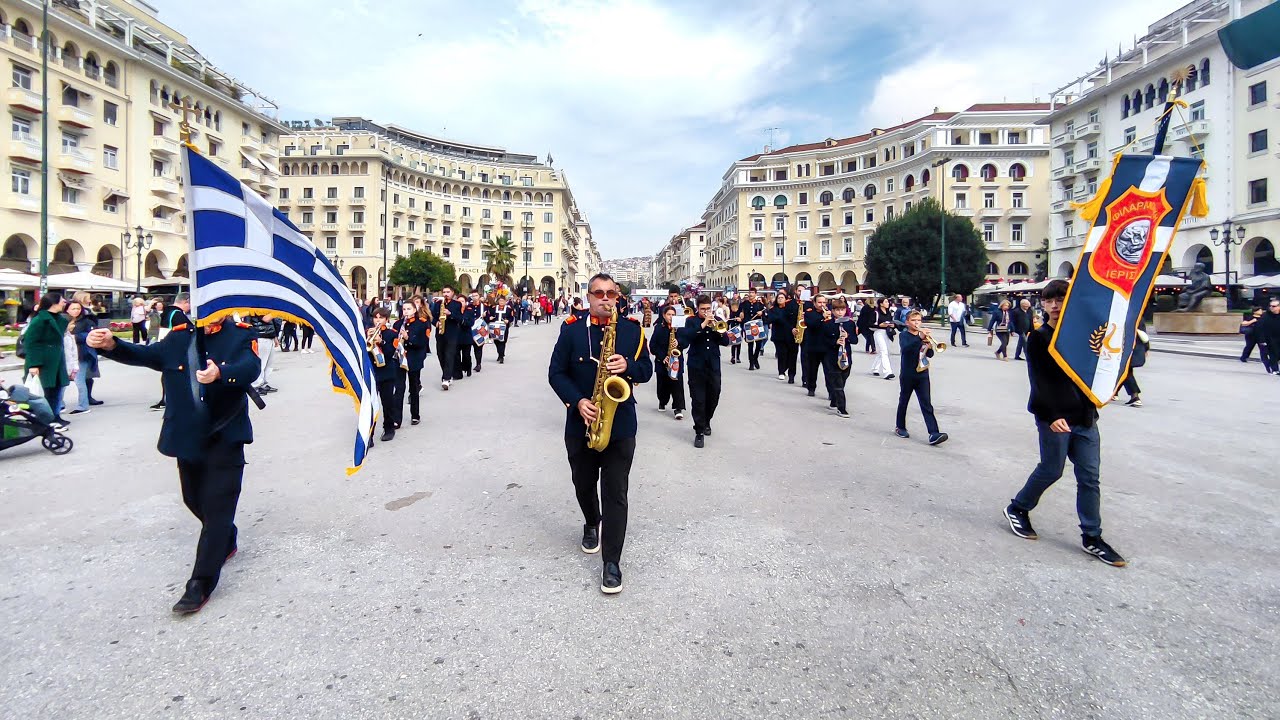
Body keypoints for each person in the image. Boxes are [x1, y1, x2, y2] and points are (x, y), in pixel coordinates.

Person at [87, 314, 262, 613]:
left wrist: (222, 373)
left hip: (225, 435)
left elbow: (250, 367)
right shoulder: (179, 337)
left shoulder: (241, 334)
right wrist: (111, 344)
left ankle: (200, 583)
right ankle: (226, 537)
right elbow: (144, 354)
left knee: (218, 507)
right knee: (194, 500)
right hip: (187, 437)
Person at [1003, 279, 1126, 567]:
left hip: (1085, 417)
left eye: (1060, 299)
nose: (1055, 306)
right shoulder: (1040, 338)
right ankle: (1018, 508)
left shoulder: (1084, 336)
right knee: (1051, 470)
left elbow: (1101, 366)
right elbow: (1040, 382)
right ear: (1042, 304)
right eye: (1049, 301)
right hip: (1054, 417)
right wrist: (1052, 415)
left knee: (1089, 478)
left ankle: (1092, 537)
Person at [548, 273, 653, 594]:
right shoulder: (571, 331)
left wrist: (630, 368)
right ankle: (591, 521)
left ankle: (612, 562)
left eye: (611, 293)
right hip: (581, 422)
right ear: (589, 296)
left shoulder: (633, 332)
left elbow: (647, 370)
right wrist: (577, 401)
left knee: (616, 493)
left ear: (618, 296)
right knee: (582, 483)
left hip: (620, 426)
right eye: (598, 293)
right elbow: (555, 373)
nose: (605, 298)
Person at [678, 295, 730, 448]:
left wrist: (717, 329)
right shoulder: (691, 321)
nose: (706, 312)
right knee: (698, 399)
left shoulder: (717, 319)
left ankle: (707, 420)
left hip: (713, 365)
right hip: (696, 365)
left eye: (708, 309)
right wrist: (703, 325)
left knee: (714, 395)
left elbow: (726, 341)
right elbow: (685, 340)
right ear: (697, 308)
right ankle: (699, 431)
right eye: (703, 309)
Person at [894, 310, 948, 445]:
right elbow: (906, 349)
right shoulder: (904, 336)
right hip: (908, 374)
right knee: (904, 401)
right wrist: (919, 339)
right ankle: (900, 427)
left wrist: (928, 344)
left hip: (923, 374)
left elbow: (929, 354)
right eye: (913, 320)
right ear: (907, 323)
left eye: (918, 320)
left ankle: (934, 433)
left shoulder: (922, 336)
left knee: (926, 404)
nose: (916, 323)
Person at [22, 293, 71, 428]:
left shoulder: (58, 318)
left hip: (56, 360)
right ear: (53, 303)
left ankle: (55, 416)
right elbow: (30, 342)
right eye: (62, 300)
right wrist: (34, 364)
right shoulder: (40, 320)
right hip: (43, 362)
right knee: (45, 392)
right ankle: (45, 420)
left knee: (56, 390)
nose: (65, 302)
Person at [649, 304, 688, 420]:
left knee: (677, 384)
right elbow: (652, 346)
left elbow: (686, 343)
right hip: (662, 361)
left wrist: (679, 342)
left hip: (676, 361)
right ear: (663, 315)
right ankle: (662, 400)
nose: (671, 317)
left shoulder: (680, 328)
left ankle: (678, 408)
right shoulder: (659, 328)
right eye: (669, 314)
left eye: (673, 315)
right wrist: (662, 357)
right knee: (662, 384)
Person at [367, 307, 401, 441]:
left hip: (387, 373)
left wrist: (382, 342)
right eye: (376, 317)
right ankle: (369, 434)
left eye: (381, 318)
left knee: (387, 403)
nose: (378, 320)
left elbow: (390, 353)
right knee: (370, 404)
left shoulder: (392, 334)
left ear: (386, 320)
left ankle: (389, 429)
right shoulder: (367, 332)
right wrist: (368, 337)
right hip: (373, 373)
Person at [396, 300, 431, 426]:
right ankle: (396, 419)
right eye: (404, 309)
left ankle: (415, 415)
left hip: (414, 359)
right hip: (400, 360)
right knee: (399, 389)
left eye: (409, 309)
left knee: (413, 388)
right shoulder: (398, 324)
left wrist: (408, 338)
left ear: (415, 310)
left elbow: (422, 343)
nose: (406, 312)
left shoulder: (421, 324)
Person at [65, 300, 100, 416]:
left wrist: (75, 337)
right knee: (63, 381)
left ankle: (83, 405)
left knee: (79, 380)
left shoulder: (86, 321)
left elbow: (92, 335)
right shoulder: (63, 321)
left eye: (78, 309)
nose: (76, 311)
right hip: (66, 354)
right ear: (67, 310)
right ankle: (59, 404)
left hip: (82, 354)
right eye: (73, 309)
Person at [823, 297, 855, 418]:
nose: (840, 312)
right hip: (832, 356)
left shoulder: (850, 323)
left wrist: (848, 336)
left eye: (842, 310)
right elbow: (824, 340)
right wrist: (835, 341)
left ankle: (834, 400)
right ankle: (842, 408)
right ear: (833, 311)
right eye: (837, 310)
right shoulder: (827, 324)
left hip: (846, 356)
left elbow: (855, 340)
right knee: (838, 382)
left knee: (843, 379)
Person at [799, 293, 831, 398]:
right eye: (819, 302)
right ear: (814, 303)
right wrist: (822, 317)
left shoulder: (829, 312)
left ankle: (831, 392)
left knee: (829, 371)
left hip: (826, 346)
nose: (822, 304)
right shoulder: (809, 313)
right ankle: (811, 388)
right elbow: (811, 324)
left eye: (824, 302)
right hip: (813, 346)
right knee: (812, 369)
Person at [432, 286, 463, 390]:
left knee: (449, 355)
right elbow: (432, 317)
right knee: (440, 354)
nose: (445, 294)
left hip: (452, 333)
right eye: (444, 292)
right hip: (440, 332)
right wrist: (435, 322)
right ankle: (447, 374)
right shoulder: (437, 304)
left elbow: (459, 318)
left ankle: (446, 378)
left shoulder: (457, 304)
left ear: (452, 293)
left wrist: (450, 314)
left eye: (448, 292)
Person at [766, 289, 799, 383]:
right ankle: (781, 371)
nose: (780, 299)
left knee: (791, 355)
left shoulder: (789, 308)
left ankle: (789, 371)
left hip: (790, 335)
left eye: (782, 298)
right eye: (779, 298)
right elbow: (771, 319)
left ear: (786, 299)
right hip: (779, 336)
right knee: (782, 354)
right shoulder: (773, 309)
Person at [1114, 320, 1149, 407]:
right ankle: (1115, 393)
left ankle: (1135, 397)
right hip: (1134, 348)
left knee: (1125, 371)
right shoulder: (1137, 315)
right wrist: (1146, 348)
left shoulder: (1125, 315)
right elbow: (1144, 335)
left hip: (1126, 348)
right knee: (1125, 371)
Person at [248, 313, 279, 394]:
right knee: (261, 363)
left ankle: (264, 384)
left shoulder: (267, 307)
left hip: (269, 335)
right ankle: (256, 385)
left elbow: (272, 323)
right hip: (261, 336)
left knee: (269, 363)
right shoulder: (258, 306)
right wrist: (278, 311)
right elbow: (266, 318)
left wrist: (275, 337)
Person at [739, 290, 767, 371]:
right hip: (748, 326)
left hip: (757, 326)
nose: (751, 294)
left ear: (755, 294)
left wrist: (761, 314)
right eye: (750, 293)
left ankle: (755, 358)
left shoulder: (760, 304)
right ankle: (751, 362)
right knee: (750, 345)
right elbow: (739, 312)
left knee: (758, 345)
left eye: (752, 293)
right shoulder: (744, 304)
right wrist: (740, 315)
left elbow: (765, 313)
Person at [870, 296, 896, 379]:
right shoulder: (876, 313)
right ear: (881, 304)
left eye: (888, 302)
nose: (888, 303)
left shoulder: (889, 313)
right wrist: (879, 325)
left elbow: (892, 322)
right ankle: (887, 372)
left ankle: (875, 368)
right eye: (886, 302)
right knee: (884, 351)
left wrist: (892, 325)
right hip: (878, 332)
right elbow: (870, 325)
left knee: (884, 351)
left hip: (887, 332)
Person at [488, 294, 516, 363]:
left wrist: (508, 321)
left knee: (503, 341)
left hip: (504, 327)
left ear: (505, 301)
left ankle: (501, 356)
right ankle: (500, 353)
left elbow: (511, 317)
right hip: (495, 327)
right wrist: (490, 318)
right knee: (496, 341)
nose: (501, 302)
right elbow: (490, 315)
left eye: (503, 301)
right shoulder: (494, 308)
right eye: (500, 301)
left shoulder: (508, 309)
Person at [1259, 297, 1280, 375]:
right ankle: (1275, 369)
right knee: (1273, 354)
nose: (1271, 308)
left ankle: (1272, 365)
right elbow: (1260, 328)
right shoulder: (1265, 316)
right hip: (1270, 339)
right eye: (1270, 306)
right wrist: (1262, 340)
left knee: (1278, 354)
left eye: (1274, 306)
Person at [469, 291, 486, 372]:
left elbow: (489, 318)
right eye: (473, 296)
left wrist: (486, 316)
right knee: (467, 349)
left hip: (479, 330)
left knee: (478, 347)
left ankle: (478, 364)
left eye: (476, 295)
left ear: (479, 296)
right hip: (469, 329)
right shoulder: (469, 306)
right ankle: (467, 365)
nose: (474, 297)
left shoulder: (483, 306)